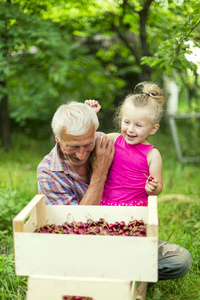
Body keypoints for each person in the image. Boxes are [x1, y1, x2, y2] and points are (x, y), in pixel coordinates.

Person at [85, 82, 192, 299]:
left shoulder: (152, 154)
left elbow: (158, 186)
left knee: (140, 251)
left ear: (153, 129)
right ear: (121, 120)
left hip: (136, 211)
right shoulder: (114, 140)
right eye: (127, 122)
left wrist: (153, 187)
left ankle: (139, 293)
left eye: (139, 125)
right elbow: (89, 138)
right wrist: (90, 116)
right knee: (104, 247)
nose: (130, 130)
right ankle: (104, 283)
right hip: (107, 207)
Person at [37, 101, 115, 205]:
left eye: (88, 145)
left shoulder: (105, 145)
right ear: (57, 137)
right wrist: (100, 173)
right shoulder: (48, 173)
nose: (81, 156)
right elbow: (74, 220)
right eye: (72, 147)